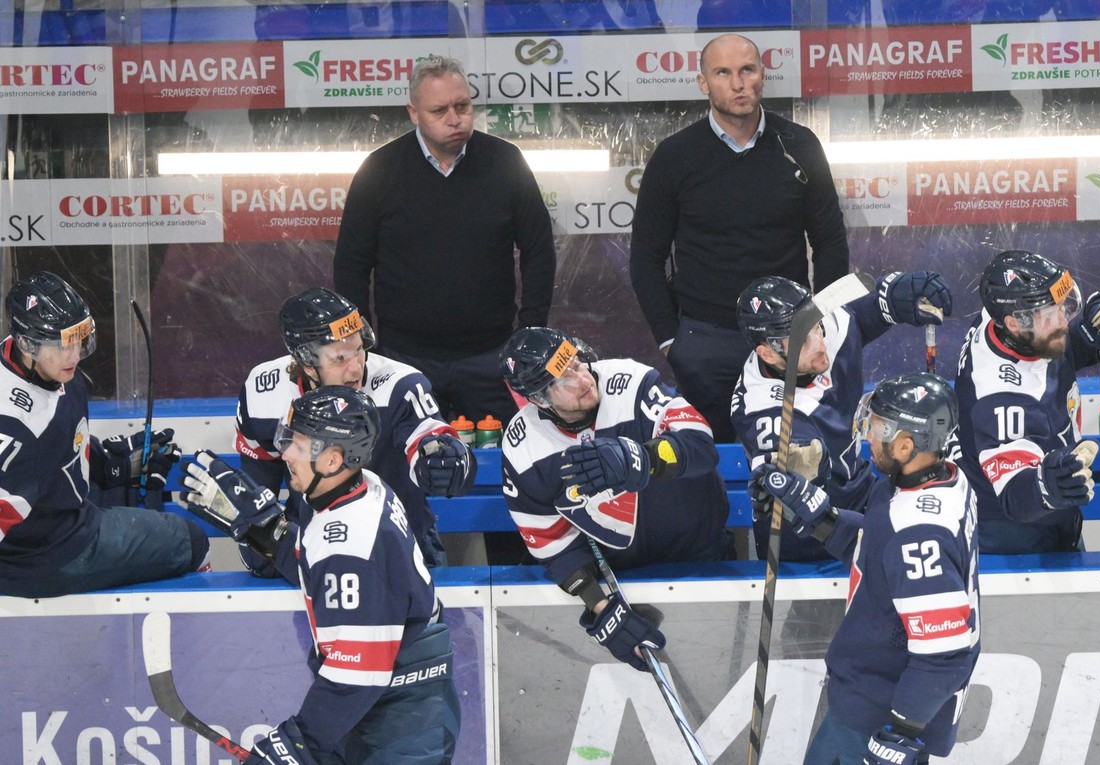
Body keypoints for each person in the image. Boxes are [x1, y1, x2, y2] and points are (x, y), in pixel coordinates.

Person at [179, 386, 459, 763]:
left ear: (331, 460)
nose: (286, 452)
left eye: (298, 444)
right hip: (390, 700)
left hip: (402, 715)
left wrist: (299, 743)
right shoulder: (361, 486)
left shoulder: (351, 540)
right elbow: (323, 569)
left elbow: (358, 673)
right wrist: (268, 531)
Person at [629, 32, 849, 442]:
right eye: (723, 72)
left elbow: (831, 243)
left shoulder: (800, 145)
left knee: (797, 459)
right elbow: (644, 258)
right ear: (703, 82)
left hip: (790, 338)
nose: (737, 83)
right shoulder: (674, 157)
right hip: (705, 342)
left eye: (747, 70)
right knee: (710, 464)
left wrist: (826, 323)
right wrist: (671, 341)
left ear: (763, 75)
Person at [752, 373, 980, 765]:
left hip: (879, 721)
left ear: (906, 444)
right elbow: (876, 549)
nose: (868, 435)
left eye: (878, 427)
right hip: (861, 701)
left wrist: (900, 732)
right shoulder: (923, 481)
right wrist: (818, 515)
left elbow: (945, 654)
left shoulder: (919, 534)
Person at [335, 54, 556, 427]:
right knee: (407, 468)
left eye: (463, 106)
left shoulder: (505, 162)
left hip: (493, 358)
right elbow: (351, 266)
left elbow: (539, 249)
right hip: (404, 360)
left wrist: (529, 331)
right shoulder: (379, 171)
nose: (455, 119)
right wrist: (364, 350)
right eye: (439, 110)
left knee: (504, 469)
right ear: (413, 112)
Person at [498, 326, 731, 670]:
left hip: (702, 559)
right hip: (624, 583)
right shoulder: (523, 449)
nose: (583, 379)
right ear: (539, 400)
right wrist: (601, 608)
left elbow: (699, 445)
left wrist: (641, 459)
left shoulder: (631, 382)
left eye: (577, 363)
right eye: (565, 379)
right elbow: (554, 546)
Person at [234, 287, 473, 574]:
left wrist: (447, 462)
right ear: (306, 362)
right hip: (313, 547)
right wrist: (260, 535)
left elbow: (435, 443)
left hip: (399, 545)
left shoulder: (400, 384)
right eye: (340, 359)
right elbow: (259, 482)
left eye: (359, 350)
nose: (356, 367)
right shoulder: (263, 393)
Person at [0, 271, 204, 598]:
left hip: (56, 522)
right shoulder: (19, 427)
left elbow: (59, 448)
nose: (75, 354)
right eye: (62, 344)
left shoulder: (40, 366)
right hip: (50, 555)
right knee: (190, 542)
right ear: (28, 343)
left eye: (78, 338)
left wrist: (115, 465)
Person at [732, 271, 952, 561]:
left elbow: (864, 315)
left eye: (817, 327)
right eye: (803, 340)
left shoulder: (821, 330)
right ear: (768, 354)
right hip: (810, 536)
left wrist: (897, 296)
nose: (821, 343)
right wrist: (790, 471)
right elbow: (786, 481)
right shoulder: (762, 407)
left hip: (864, 497)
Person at [955, 250, 1100, 554]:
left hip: (1053, 516)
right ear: (1014, 324)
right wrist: (1046, 486)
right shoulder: (1001, 398)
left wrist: (1092, 334)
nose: (1064, 321)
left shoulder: (1003, 316)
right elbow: (1014, 494)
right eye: (1052, 315)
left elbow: (1054, 350)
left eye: (1064, 307)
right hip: (1014, 538)